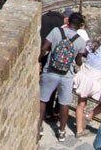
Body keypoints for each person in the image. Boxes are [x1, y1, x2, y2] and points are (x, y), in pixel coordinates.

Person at [37, 12, 88, 142]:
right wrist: (81, 64)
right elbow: (78, 61)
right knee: (64, 103)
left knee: (43, 100)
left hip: (50, 71)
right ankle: (61, 132)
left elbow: (44, 48)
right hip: (67, 76)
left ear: (68, 22)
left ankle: (39, 128)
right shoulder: (81, 41)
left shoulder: (56, 31)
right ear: (80, 26)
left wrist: (38, 60)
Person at [72, 30, 101, 137]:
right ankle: (89, 115)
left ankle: (79, 130)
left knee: (81, 104)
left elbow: (85, 51)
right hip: (96, 78)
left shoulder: (92, 43)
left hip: (85, 74)